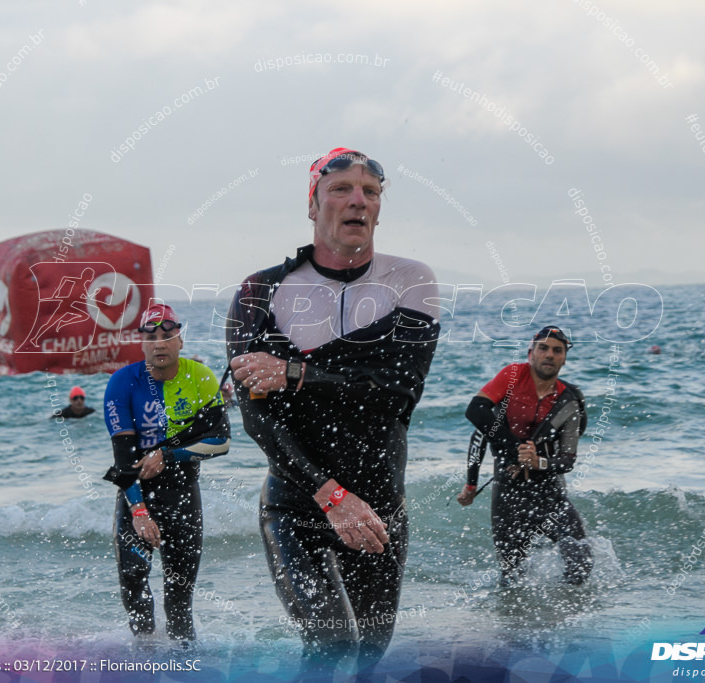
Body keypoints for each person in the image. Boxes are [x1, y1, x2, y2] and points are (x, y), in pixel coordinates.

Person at [225, 148, 440, 671]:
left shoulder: (411, 282)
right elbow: (258, 417)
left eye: (370, 192)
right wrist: (330, 493)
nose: (357, 200)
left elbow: (396, 392)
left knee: (369, 655)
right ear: (313, 202)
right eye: (341, 188)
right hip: (298, 503)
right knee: (329, 646)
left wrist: (294, 374)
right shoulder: (260, 291)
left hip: (380, 507)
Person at [103, 303, 230, 641]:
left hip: (183, 494)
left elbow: (221, 442)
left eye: (167, 335)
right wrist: (139, 512)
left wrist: (168, 454)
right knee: (133, 577)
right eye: (152, 336)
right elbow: (122, 458)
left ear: (180, 340)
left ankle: (184, 663)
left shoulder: (201, 377)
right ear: (142, 343)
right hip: (136, 494)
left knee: (179, 592)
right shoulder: (122, 382)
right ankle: (143, 655)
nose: (160, 343)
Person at [457, 326, 592, 585]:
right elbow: (476, 418)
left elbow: (567, 460)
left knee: (581, 560)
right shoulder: (512, 377)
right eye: (543, 348)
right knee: (511, 573)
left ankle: (569, 619)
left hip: (549, 488)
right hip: (509, 486)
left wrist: (538, 461)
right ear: (531, 353)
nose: (549, 355)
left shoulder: (569, 400)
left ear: (564, 358)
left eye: (557, 350)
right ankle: (513, 622)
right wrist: (472, 483)